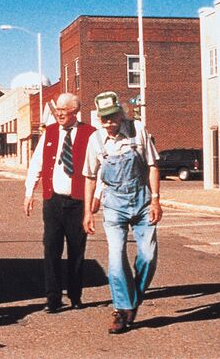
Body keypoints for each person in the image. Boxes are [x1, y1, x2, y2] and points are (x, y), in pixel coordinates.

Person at [82, 91, 162, 334]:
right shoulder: (95, 140)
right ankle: (120, 309)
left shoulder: (138, 131)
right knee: (116, 259)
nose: (109, 123)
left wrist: (156, 200)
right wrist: (88, 211)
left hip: (141, 200)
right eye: (104, 118)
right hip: (114, 204)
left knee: (148, 256)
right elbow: (90, 178)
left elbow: (152, 166)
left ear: (121, 113)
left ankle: (132, 298)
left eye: (113, 117)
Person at [25, 93, 96, 313]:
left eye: (64, 110)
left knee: (77, 251)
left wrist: (95, 200)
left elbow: (98, 170)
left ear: (75, 112)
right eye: (57, 110)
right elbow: (36, 163)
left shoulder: (90, 134)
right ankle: (53, 299)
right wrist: (29, 193)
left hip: (77, 202)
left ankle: (75, 295)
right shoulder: (50, 132)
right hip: (52, 200)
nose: (59, 114)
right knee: (51, 249)